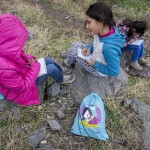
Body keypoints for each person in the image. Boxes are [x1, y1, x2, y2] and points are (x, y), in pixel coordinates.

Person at [0, 14, 75, 106]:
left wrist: (27, 57)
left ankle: (60, 72)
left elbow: (18, 54)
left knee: (47, 60)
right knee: (50, 68)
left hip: (23, 72)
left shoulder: (4, 50)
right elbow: (23, 87)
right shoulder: (4, 71)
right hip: (20, 90)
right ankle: (62, 80)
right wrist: (34, 68)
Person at [63, 1, 125, 77]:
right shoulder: (104, 31)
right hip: (96, 56)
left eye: (89, 22)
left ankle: (68, 65)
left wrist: (95, 64)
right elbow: (96, 44)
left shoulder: (108, 48)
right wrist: (89, 48)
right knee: (75, 44)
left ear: (101, 21)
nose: (87, 26)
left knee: (74, 52)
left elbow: (114, 72)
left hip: (98, 70)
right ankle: (70, 56)